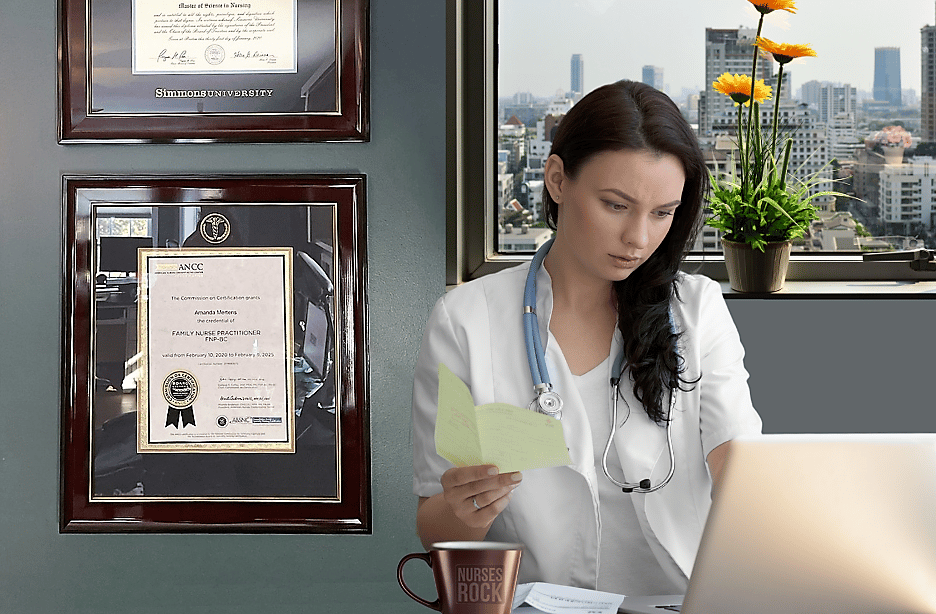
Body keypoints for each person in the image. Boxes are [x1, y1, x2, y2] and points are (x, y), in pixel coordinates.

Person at [411, 80, 762, 596]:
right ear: (556, 179)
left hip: (684, 601)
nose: (638, 239)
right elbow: (436, 528)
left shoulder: (696, 309)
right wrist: (467, 509)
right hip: (541, 605)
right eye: (616, 205)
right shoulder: (466, 320)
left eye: (662, 213)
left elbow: (739, 464)